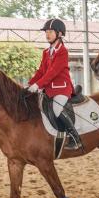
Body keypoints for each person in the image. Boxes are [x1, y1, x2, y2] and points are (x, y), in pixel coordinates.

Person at [27, 18, 83, 150]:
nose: (47, 34)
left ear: (59, 34)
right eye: (46, 31)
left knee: (57, 109)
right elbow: (41, 71)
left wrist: (38, 85)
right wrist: (30, 84)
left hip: (62, 89)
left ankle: (75, 137)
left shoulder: (63, 51)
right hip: (48, 89)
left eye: (50, 31)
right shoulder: (46, 52)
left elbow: (53, 72)